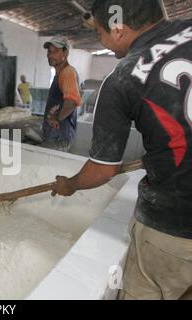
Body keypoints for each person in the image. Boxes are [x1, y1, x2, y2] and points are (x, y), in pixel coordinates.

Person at [51, 0, 192, 300]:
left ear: (118, 29)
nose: (101, 41)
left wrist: (70, 184)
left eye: (100, 32)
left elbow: (104, 168)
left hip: (174, 228)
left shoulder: (123, 76)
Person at [41, 36, 82, 152]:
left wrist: (56, 117)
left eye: (56, 51)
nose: (50, 55)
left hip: (58, 138)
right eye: (49, 51)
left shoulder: (67, 73)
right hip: (55, 136)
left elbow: (72, 102)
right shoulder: (60, 74)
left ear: (66, 52)